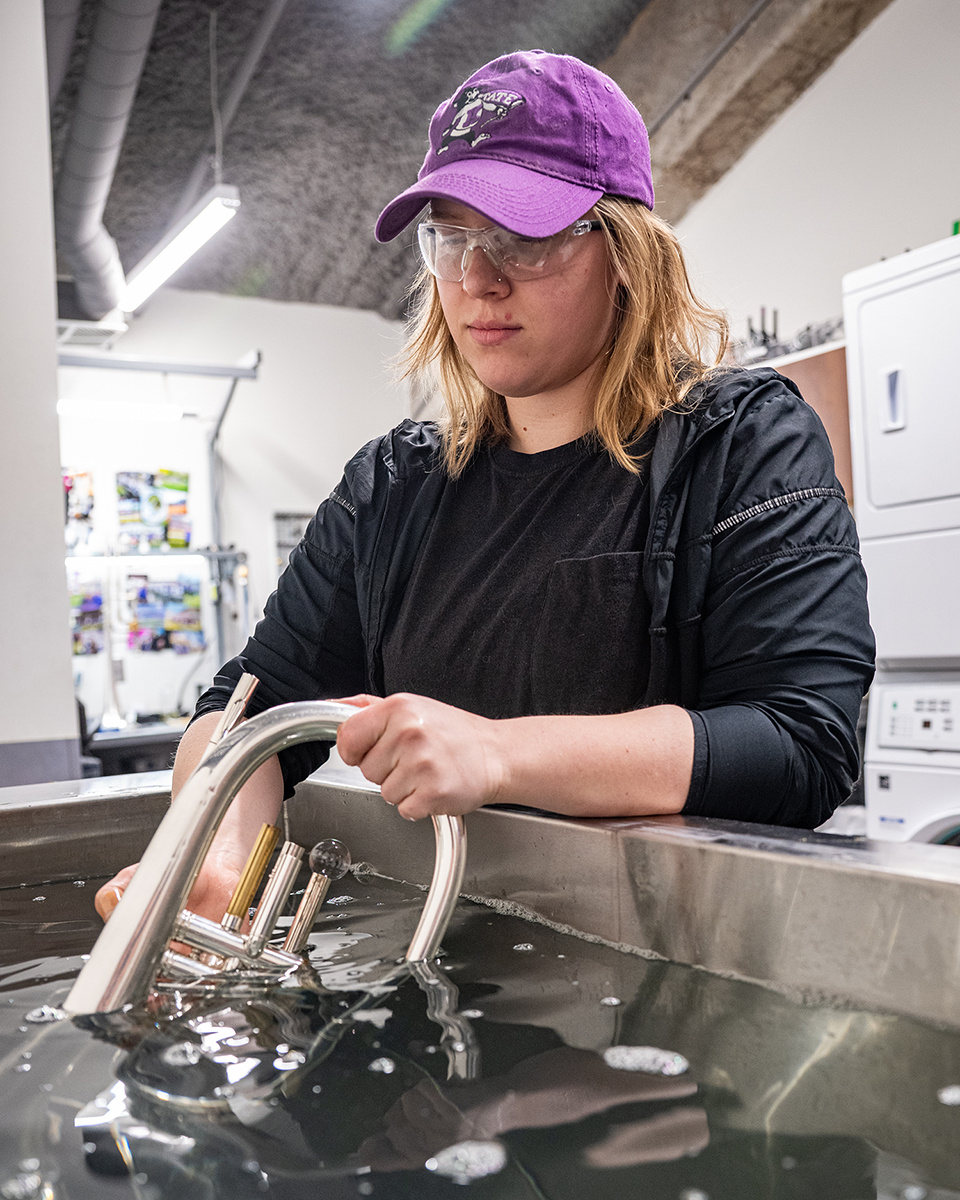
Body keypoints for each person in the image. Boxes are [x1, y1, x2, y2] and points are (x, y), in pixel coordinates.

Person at [96, 49, 874, 924]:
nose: (477, 280)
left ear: (625, 253)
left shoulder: (742, 443)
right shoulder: (393, 488)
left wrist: (500, 753)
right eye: (452, 238)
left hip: (682, 966)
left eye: (524, 238)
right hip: (446, 962)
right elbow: (246, 714)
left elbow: (799, 745)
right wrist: (221, 859)